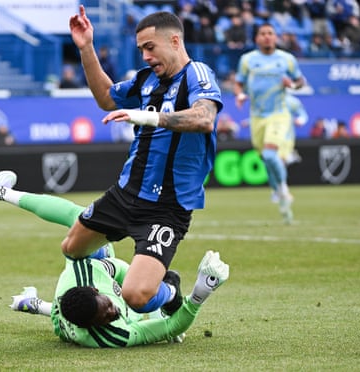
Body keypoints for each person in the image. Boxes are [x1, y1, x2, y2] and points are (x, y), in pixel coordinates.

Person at [63, 6, 223, 316]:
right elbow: (107, 99)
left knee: (137, 297)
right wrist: (86, 48)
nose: (145, 56)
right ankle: (118, 271)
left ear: (175, 41)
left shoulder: (197, 74)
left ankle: (171, 291)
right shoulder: (147, 79)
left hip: (167, 207)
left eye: (150, 47)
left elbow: (204, 118)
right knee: (72, 249)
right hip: (125, 194)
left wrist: (144, 116)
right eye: (141, 50)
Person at [0, 170, 230, 348]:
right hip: (65, 320)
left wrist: (154, 285)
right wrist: (199, 295)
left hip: (67, 306)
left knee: (81, 219)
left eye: (106, 304)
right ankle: (31, 304)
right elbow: (168, 329)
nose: (112, 310)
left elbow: (120, 271)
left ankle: (0, 192)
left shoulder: (83, 273)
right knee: (133, 307)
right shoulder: (114, 336)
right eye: (106, 315)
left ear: (93, 289)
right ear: (93, 326)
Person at [234, 23, 305, 224]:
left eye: (270, 33)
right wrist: (239, 94)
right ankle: (281, 199)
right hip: (257, 116)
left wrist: (292, 84)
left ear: (276, 37)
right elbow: (239, 82)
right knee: (266, 159)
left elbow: (301, 82)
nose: (267, 37)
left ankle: (282, 188)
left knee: (270, 154)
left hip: (279, 114)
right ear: (257, 38)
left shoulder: (287, 59)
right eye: (263, 34)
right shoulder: (247, 60)